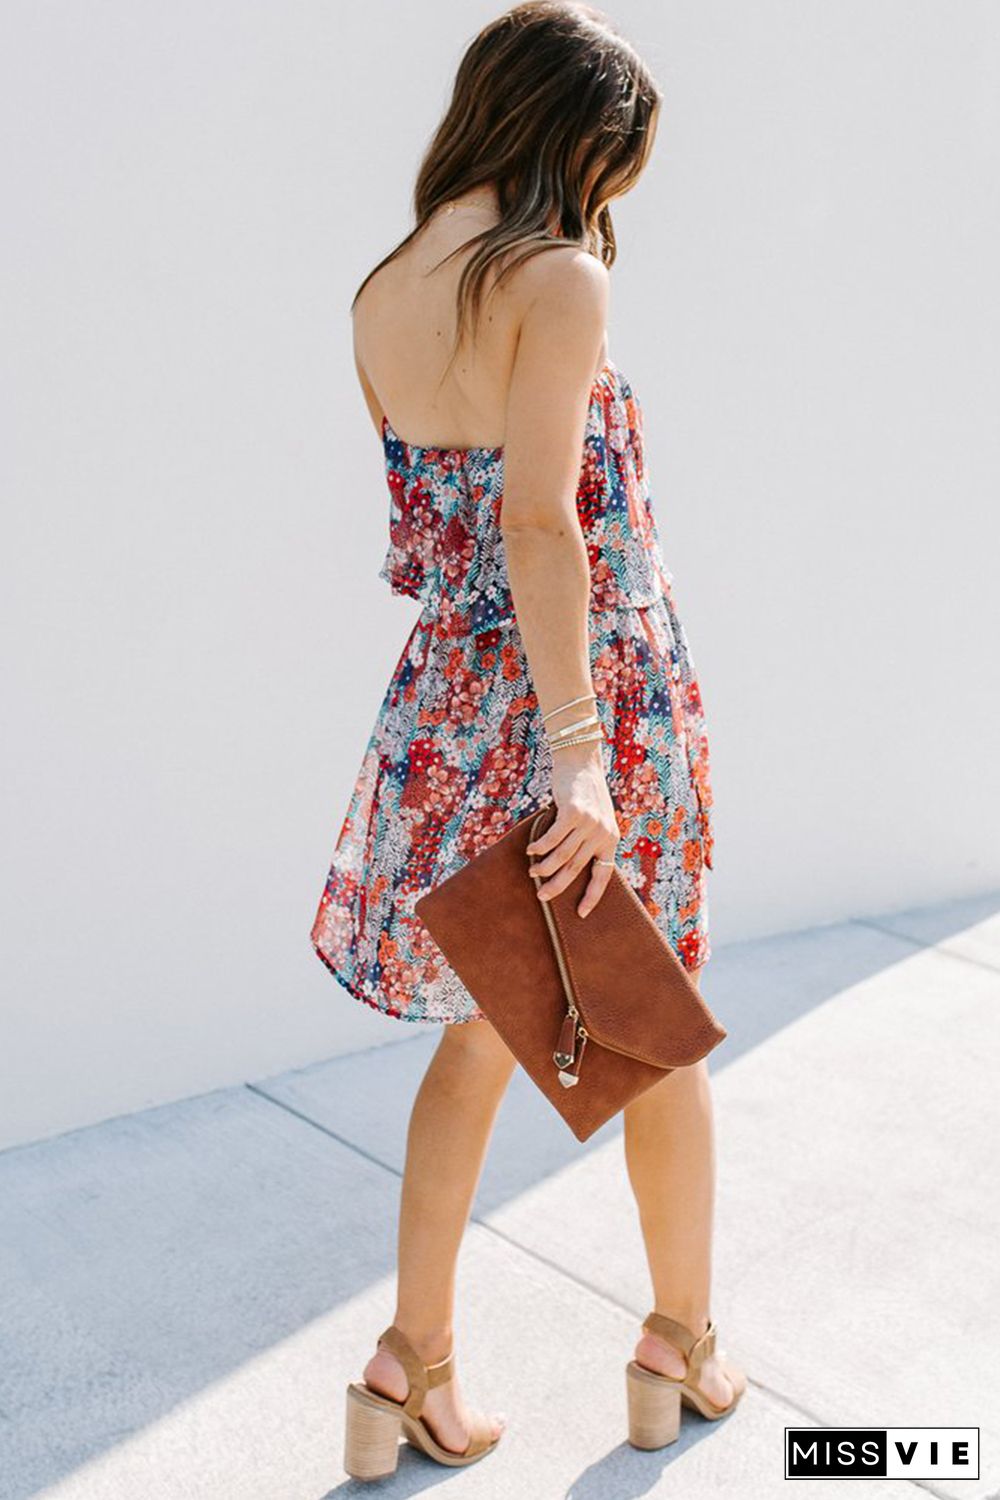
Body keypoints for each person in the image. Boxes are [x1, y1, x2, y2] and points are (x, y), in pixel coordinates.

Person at [310, 0, 747, 1479]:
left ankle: (407, 1362)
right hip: (576, 704)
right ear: (574, 138)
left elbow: (436, 532)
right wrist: (579, 753)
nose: (612, 197)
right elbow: (539, 523)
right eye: (613, 162)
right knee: (657, 1035)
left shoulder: (385, 285)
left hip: (446, 707)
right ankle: (677, 1345)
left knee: (478, 1048)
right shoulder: (552, 277)